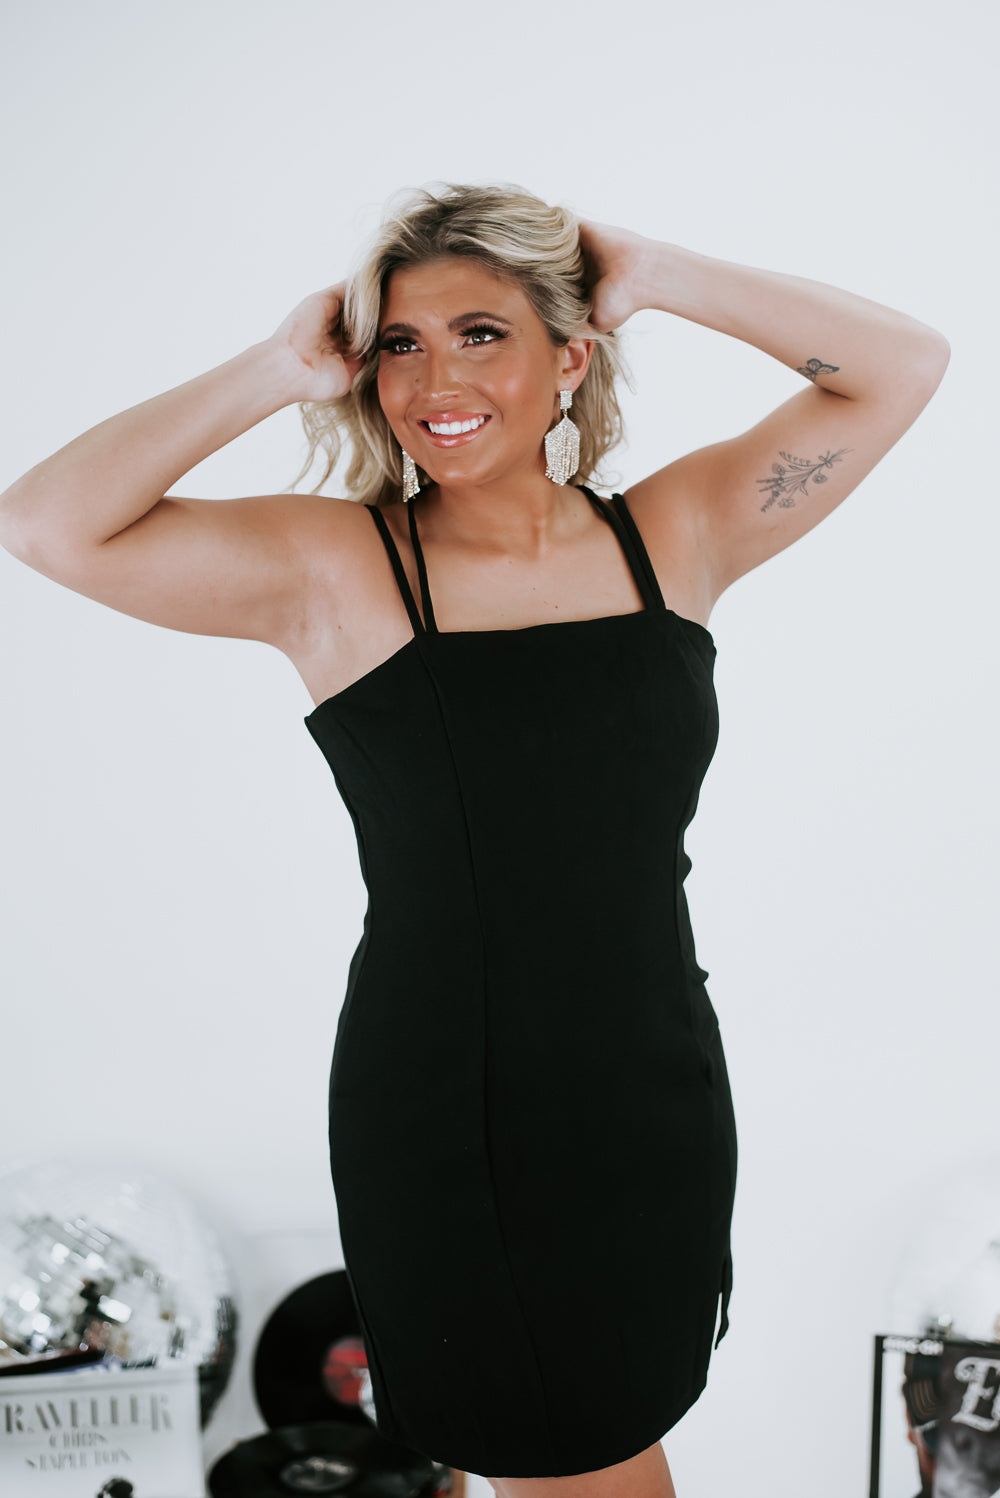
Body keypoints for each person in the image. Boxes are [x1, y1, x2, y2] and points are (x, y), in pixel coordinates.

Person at [0, 183, 950, 1498]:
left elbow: (903, 367)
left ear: (572, 358)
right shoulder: (337, 570)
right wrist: (277, 368)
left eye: (481, 334)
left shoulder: (671, 534)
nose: (435, 379)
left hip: (652, 1088)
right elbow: (46, 521)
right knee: (572, 1454)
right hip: (455, 1107)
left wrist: (658, 270)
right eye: (400, 343)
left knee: (606, 1426)